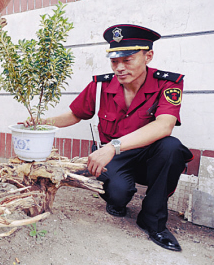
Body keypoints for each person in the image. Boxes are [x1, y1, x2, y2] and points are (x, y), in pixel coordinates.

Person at [24, 24, 193, 252]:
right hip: (116, 158)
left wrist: (113, 146)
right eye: (115, 61)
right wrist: (40, 122)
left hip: (147, 155)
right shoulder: (101, 85)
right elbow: (75, 114)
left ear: (148, 56)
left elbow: (165, 125)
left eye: (128, 59)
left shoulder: (168, 83)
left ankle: (152, 220)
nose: (119, 68)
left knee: (171, 148)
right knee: (117, 196)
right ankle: (118, 199)